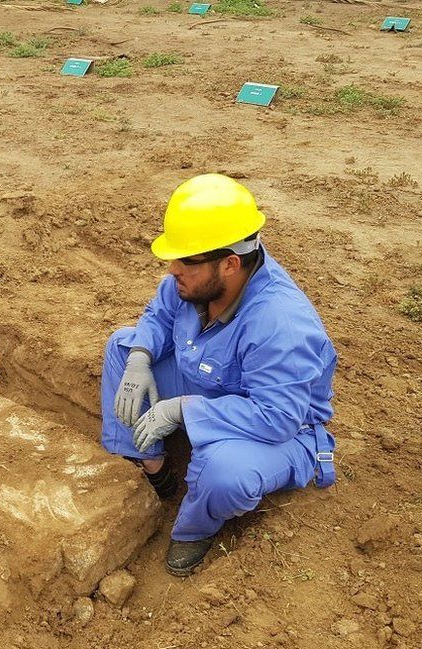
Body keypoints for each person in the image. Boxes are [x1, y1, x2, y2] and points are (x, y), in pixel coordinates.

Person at [100, 174, 337, 576]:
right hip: (211, 383)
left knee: (226, 472)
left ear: (229, 263)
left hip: (276, 423)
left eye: (186, 260)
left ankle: (194, 529)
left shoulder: (280, 324)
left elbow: (277, 417)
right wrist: (141, 356)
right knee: (123, 346)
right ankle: (152, 468)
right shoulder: (197, 280)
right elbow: (159, 315)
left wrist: (183, 409)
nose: (172, 269)